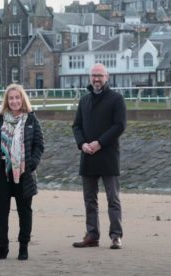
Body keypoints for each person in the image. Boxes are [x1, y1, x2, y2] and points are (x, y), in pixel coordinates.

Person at [0, 84, 44, 261]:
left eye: (17, 98)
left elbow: (39, 145)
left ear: (22, 99)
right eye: (11, 98)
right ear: (7, 101)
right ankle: (2, 247)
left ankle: (23, 247)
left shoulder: (31, 120)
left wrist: (31, 164)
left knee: (24, 211)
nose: (14, 101)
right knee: (1, 211)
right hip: (2, 173)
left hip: (24, 173)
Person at [72, 63, 126, 250]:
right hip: (88, 156)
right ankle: (92, 235)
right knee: (89, 199)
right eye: (93, 75)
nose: (96, 79)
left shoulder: (116, 99)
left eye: (100, 75)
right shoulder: (84, 101)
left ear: (107, 77)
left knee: (113, 198)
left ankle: (116, 236)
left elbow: (119, 126)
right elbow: (76, 126)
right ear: (90, 77)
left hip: (109, 155)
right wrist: (83, 144)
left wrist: (99, 143)